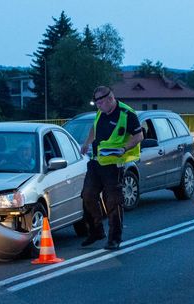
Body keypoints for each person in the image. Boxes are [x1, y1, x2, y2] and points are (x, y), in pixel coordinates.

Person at [80, 86, 144, 250]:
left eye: (100, 102)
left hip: (114, 165)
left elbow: (139, 136)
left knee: (113, 201)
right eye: (96, 103)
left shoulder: (126, 114)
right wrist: (87, 143)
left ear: (110, 99)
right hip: (96, 162)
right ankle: (96, 231)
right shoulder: (101, 111)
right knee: (87, 195)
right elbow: (94, 127)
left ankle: (114, 239)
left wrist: (124, 149)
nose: (98, 106)